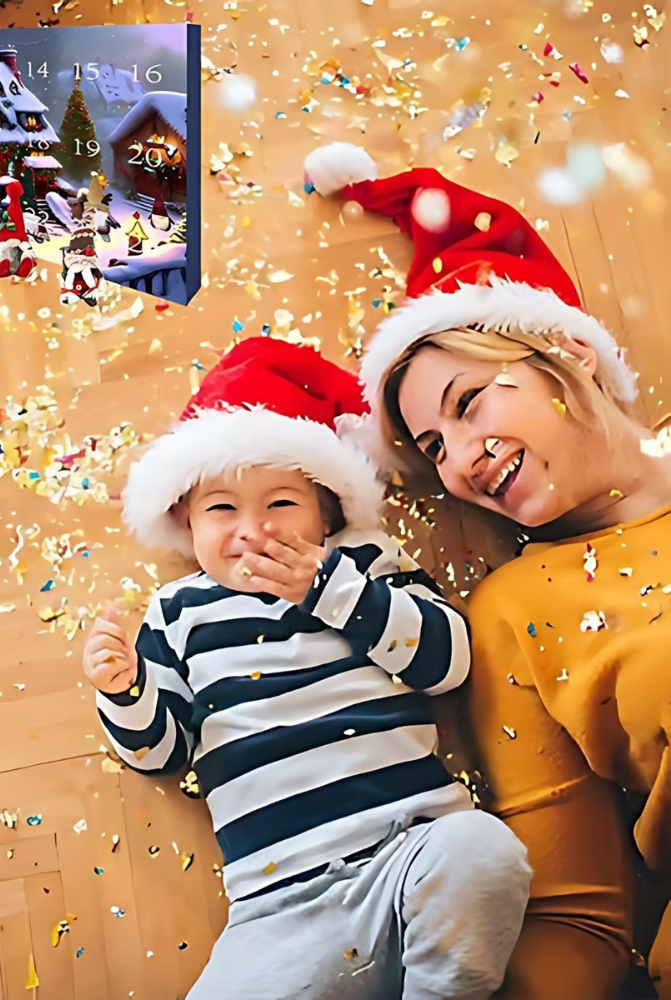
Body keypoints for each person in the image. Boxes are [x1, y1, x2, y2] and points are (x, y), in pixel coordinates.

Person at [303, 141, 670, 997]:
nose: (461, 459)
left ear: (569, 357)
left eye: (470, 404)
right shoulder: (514, 610)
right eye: (434, 448)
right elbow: (580, 920)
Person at [83, 337, 532, 999]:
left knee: (484, 851)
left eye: (282, 504)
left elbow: (448, 661)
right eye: (221, 510)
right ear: (186, 522)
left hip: (409, 851)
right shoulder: (179, 611)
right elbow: (162, 751)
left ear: (327, 513)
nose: (254, 530)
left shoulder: (364, 565)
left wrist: (333, 590)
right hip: (278, 906)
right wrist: (125, 691)